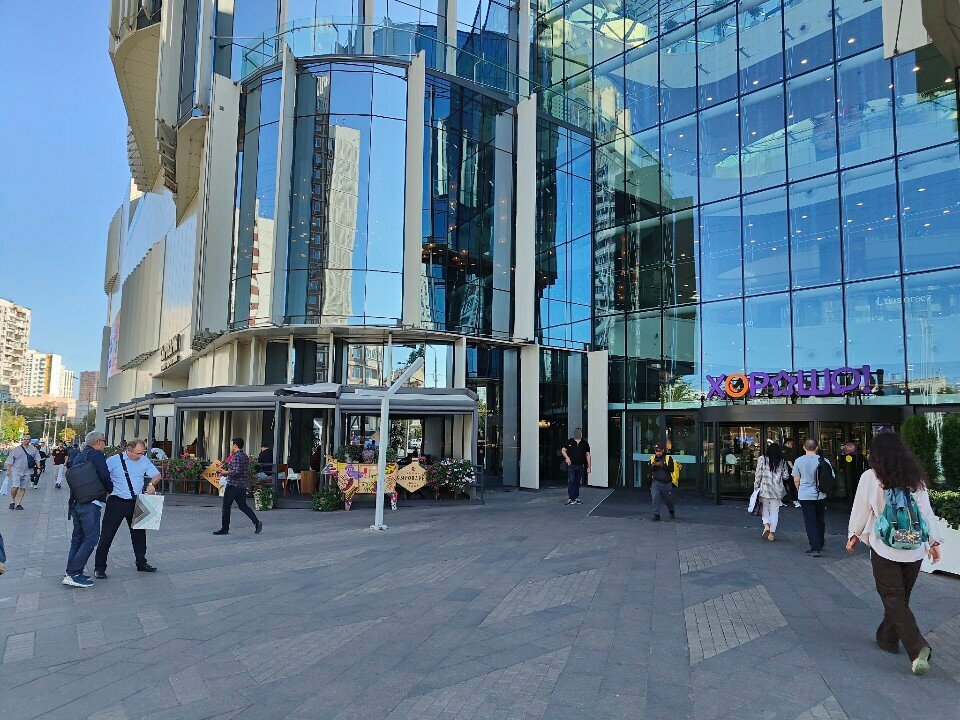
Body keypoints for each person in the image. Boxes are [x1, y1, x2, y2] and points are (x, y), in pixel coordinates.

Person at [846, 431, 943, 675]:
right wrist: (933, 542)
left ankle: (917, 647)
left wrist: (854, 534)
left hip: (886, 546)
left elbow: (861, 508)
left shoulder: (870, 476)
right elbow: (925, 512)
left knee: (893, 597)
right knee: (900, 599)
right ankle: (887, 639)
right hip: (914, 548)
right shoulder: (914, 477)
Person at [93, 439, 162, 578]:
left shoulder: (144, 460)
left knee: (139, 534)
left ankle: (141, 562)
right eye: (137, 453)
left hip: (136, 501)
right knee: (107, 535)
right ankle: (99, 567)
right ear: (128, 450)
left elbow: (157, 475)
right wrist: (106, 491)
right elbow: (101, 475)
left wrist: (151, 484)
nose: (140, 456)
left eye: (142, 453)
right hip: (116, 502)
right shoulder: (113, 460)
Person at [62, 432, 112, 589]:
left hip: (77, 502)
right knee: (91, 538)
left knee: (78, 538)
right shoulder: (97, 454)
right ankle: (74, 573)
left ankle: (70, 572)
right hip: (91, 503)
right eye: (104, 441)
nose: (105, 444)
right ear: (97, 442)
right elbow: (104, 475)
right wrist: (110, 490)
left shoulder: (79, 455)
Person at [213, 438, 262, 536]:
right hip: (242, 485)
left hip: (232, 485)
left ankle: (224, 529)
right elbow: (240, 469)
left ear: (235, 445)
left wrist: (224, 472)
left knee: (226, 507)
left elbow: (235, 471)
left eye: (231, 445)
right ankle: (256, 522)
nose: (231, 446)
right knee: (243, 506)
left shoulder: (236, 456)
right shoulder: (244, 456)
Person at [793, 438, 831, 557]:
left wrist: (799, 490)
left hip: (805, 495)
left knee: (810, 521)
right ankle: (820, 543)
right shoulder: (824, 460)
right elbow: (831, 477)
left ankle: (815, 548)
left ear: (804, 447)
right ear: (817, 448)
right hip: (821, 495)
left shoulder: (799, 461)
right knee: (820, 519)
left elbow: (796, 479)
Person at [754, 443, 789, 541]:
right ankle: (772, 534)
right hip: (777, 489)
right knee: (775, 511)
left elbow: (758, 474)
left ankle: (766, 526)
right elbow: (786, 476)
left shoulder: (762, 459)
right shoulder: (782, 461)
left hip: (765, 488)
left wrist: (756, 487)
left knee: (765, 508)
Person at [4, 434, 41, 510]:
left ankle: (18, 504)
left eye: (27, 439)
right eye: (24, 439)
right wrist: (8, 471)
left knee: (22, 488)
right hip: (16, 470)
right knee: (15, 487)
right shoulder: (16, 449)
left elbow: (37, 459)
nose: (26, 441)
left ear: (30, 440)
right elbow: (10, 461)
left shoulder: (33, 449)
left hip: (27, 471)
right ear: (22, 440)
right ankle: (12, 501)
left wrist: (38, 468)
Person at [561, 428, 591, 506]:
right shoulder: (570, 441)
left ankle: (576, 498)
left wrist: (589, 466)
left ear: (581, 433)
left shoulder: (585, 443)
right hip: (571, 465)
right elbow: (563, 450)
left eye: (579, 432)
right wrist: (567, 458)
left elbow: (588, 455)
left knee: (577, 482)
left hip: (580, 466)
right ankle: (571, 498)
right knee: (571, 481)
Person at [648, 444, 677, 521]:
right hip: (656, 482)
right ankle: (656, 515)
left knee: (668, 500)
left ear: (663, 450)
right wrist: (653, 465)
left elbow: (671, 469)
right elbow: (650, 470)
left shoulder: (668, 458)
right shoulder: (652, 458)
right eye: (656, 451)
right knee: (655, 498)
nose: (658, 453)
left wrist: (662, 465)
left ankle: (671, 511)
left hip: (666, 483)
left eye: (659, 451)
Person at [781, 438, 800, 508]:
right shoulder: (785, 450)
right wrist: (794, 469)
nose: (792, 445)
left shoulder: (783, 449)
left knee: (783, 485)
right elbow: (788, 461)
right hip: (787, 471)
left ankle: (781, 500)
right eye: (791, 444)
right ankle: (794, 500)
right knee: (791, 485)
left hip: (782, 471)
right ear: (788, 443)